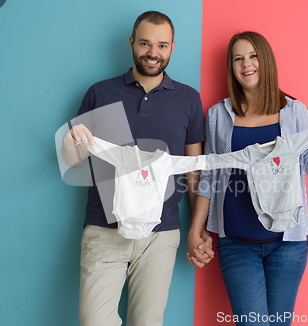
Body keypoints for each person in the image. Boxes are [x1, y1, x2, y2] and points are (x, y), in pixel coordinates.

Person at [187, 31, 308, 326]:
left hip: (288, 245)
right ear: (231, 67)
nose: (246, 64)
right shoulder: (217, 115)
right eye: (238, 58)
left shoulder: (294, 112)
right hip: (236, 244)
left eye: (253, 56)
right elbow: (210, 177)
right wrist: (195, 229)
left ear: (265, 61)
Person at [61, 11, 208, 326]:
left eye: (162, 46)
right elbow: (74, 162)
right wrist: (71, 140)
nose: (153, 53)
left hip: (161, 235)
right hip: (104, 229)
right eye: (145, 43)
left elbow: (194, 172)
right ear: (131, 43)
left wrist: (198, 228)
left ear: (172, 47)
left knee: (147, 322)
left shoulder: (188, 100)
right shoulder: (100, 93)